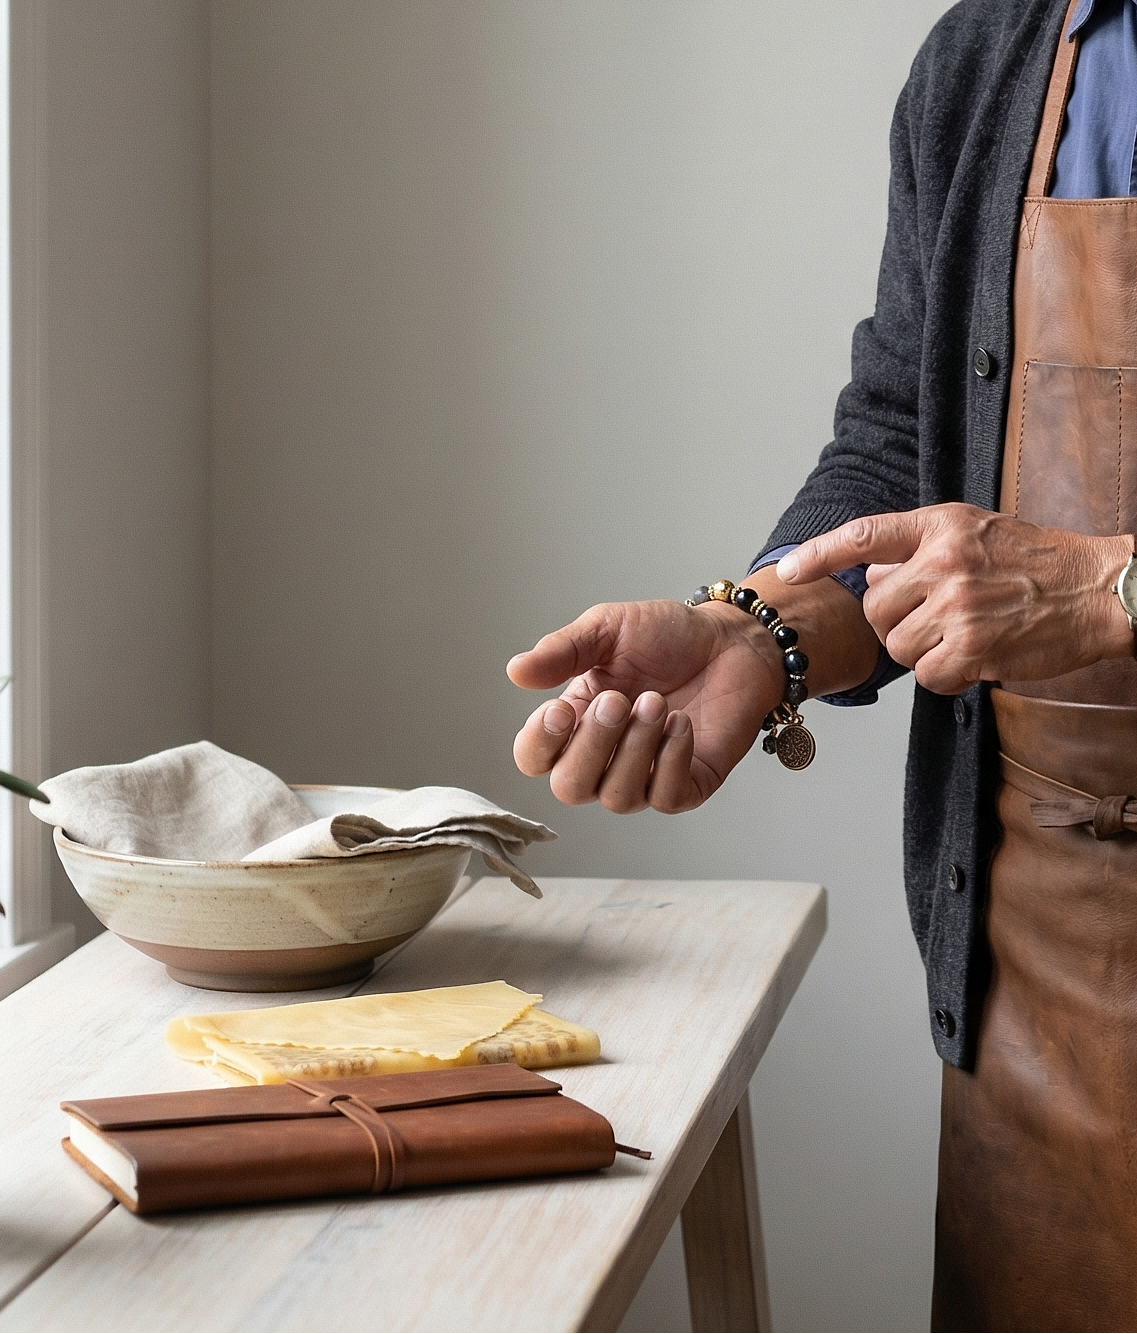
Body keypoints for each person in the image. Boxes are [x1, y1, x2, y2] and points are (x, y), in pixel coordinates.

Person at [506, 1, 1137, 1329]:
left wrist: (1106, 583)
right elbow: (908, 430)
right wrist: (761, 632)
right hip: (1046, 1009)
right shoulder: (983, 62)